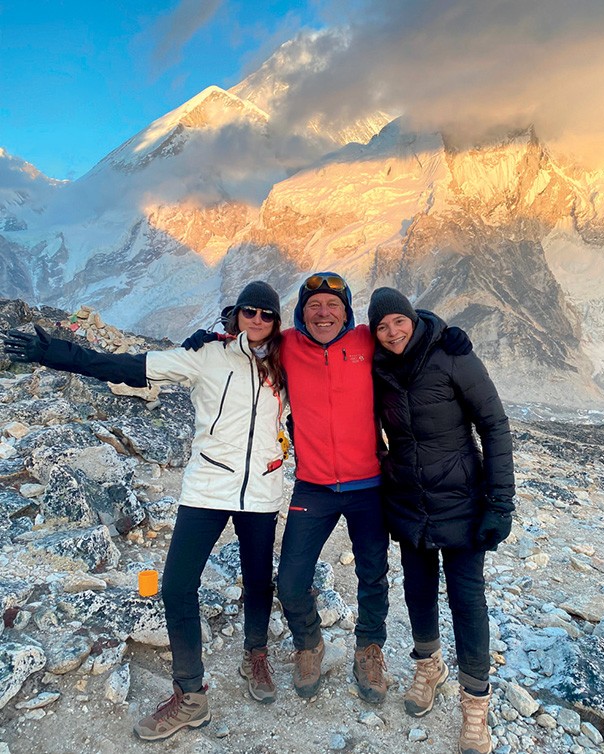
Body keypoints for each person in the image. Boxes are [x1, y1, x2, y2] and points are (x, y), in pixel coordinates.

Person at [2, 281, 288, 742]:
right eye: (249, 312)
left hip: (261, 490)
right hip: (207, 487)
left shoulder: (287, 362)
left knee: (258, 579)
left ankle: (256, 654)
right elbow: (127, 366)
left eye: (267, 314)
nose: (257, 321)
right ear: (236, 315)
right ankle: (191, 695)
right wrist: (53, 352)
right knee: (177, 587)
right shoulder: (205, 357)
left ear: (277, 322)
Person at [184, 271, 471, 705]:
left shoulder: (364, 342)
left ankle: (368, 649)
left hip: (369, 485)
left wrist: (443, 331)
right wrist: (211, 334)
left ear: (346, 312)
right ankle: (309, 643)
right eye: (314, 305)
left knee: (373, 574)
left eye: (333, 305)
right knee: (293, 581)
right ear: (301, 313)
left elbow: (403, 330)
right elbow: (251, 331)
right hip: (313, 486)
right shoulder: (288, 347)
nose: (323, 313)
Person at [367, 287, 515, 754]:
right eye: (382, 326)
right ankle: (428, 667)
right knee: (417, 590)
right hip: (409, 503)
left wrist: (500, 502)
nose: (392, 333)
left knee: (467, 598)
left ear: (413, 318)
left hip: (463, 502)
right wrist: (383, 464)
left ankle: (475, 705)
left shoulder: (451, 354)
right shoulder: (377, 367)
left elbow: (494, 424)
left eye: (398, 322)